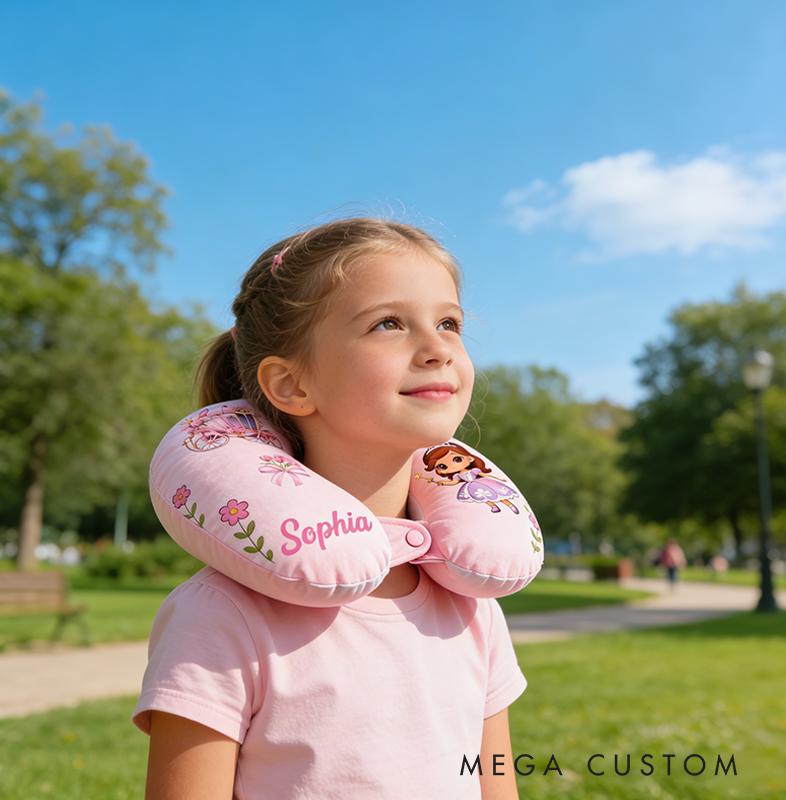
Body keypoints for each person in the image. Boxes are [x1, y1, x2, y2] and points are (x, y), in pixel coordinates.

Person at [133, 218, 528, 799]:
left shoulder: (473, 607)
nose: (439, 348)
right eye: (388, 323)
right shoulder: (220, 614)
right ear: (291, 384)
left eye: (449, 323)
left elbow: (494, 784)